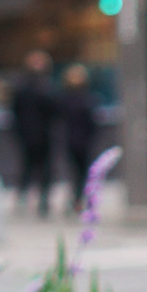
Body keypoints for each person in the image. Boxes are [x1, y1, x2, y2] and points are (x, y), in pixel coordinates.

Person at [8, 49, 59, 215]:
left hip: (43, 134)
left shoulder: (46, 87)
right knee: (28, 167)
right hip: (29, 133)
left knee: (43, 168)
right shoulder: (25, 87)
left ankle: (43, 200)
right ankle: (24, 198)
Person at [58, 64, 98, 204]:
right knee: (75, 172)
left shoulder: (88, 98)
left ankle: (80, 198)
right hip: (72, 140)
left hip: (84, 140)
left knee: (84, 172)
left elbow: (92, 122)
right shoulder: (65, 98)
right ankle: (76, 199)